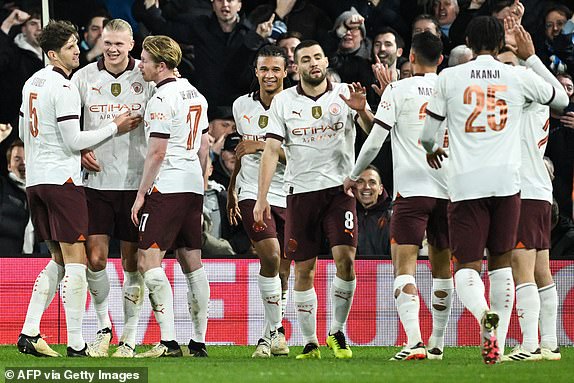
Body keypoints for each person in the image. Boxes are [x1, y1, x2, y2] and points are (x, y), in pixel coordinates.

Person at [420, 16, 569, 364]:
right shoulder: (518, 76)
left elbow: (429, 136)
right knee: (503, 265)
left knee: (467, 268)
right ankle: (499, 343)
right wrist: (531, 58)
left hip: (467, 182)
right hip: (509, 184)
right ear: (501, 41)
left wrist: (432, 148)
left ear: (469, 43)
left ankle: (485, 314)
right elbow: (560, 98)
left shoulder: (450, 77)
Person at [17, 19, 141, 358]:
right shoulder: (65, 87)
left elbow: (24, 132)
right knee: (76, 262)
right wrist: (114, 127)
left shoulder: (31, 83)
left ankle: (29, 332)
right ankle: (76, 343)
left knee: (57, 260)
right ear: (55, 53)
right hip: (63, 182)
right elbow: (74, 141)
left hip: (36, 182)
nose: (78, 51)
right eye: (72, 47)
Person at [254, 40, 374, 359]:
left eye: (318, 57)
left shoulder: (345, 92)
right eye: (306, 59)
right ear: (297, 67)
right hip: (300, 192)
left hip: (339, 191)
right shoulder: (283, 101)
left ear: (325, 60)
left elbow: (374, 131)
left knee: (345, 261)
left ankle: (337, 331)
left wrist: (362, 111)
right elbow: (270, 151)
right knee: (304, 268)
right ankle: (310, 341)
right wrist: (261, 197)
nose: (314, 63)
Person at [345, 32, 453, 360]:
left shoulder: (398, 89)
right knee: (442, 269)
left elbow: (376, 141)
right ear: (442, 60)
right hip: (449, 189)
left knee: (403, 268)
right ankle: (437, 343)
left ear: (411, 58)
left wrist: (352, 176)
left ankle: (414, 341)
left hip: (412, 192)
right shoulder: (452, 89)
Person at [71, 18, 155, 358]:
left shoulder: (147, 77)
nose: (113, 49)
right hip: (97, 183)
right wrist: (79, 150)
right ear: (100, 42)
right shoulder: (83, 78)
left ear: (131, 43)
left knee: (132, 263)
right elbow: (66, 124)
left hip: (136, 184)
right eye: (108, 43)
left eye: (119, 43)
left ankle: (130, 338)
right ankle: (104, 327)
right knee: (95, 259)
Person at [131, 35, 210, 358]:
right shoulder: (197, 95)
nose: (141, 65)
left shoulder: (162, 99)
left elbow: (158, 153)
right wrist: (200, 184)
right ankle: (199, 341)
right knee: (192, 261)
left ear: (161, 65)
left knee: (147, 260)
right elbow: (204, 146)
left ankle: (167, 341)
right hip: (192, 184)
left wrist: (141, 195)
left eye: (146, 60)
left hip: (168, 186)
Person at [497, 44, 560, 362]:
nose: (506, 70)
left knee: (520, 269)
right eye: (501, 65)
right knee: (540, 269)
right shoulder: (530, 99)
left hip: (523, 189)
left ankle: (530, 344)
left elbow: (557, 90)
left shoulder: (525, 98)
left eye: (511, 64)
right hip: (538, 189)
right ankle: (550, 343)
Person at [228, 45, 290, 358]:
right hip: (253, 191)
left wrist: (261, 145)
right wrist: (231, 190)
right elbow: (240, 153)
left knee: (285, 270)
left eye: (275, 69)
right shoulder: (241, 106)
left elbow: (301, 156)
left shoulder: (295, 105)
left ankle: (268, 338)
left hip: (291, 191)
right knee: (272, 255)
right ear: (256, 71)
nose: (269, 75)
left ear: (286, 71)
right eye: (264, 69)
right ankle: (278, 332)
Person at [0, 139, 33, 254]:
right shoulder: (3, 185)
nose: (23, 162)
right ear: (9, 165)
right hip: (6, 258)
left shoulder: (42, 191)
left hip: (38, 258)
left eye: (26, 158)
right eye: (17, 159)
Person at [352, 165, 391, 257]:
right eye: (360, 182)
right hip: (350, 270)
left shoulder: (393, 216)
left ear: (380, 189)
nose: (366, 187)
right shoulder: (345, 215)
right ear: (354, 187)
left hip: (386, 270)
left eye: (372, 182)